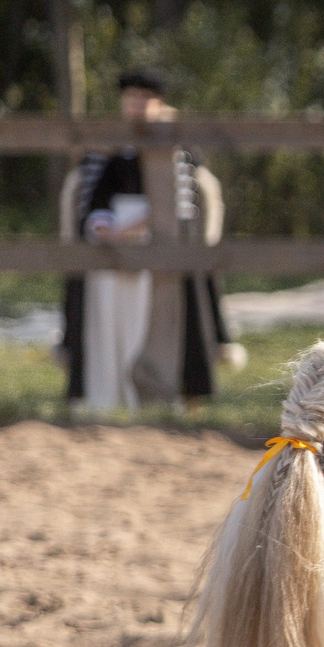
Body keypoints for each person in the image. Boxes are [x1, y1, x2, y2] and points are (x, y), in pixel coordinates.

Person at [57, 66, 243, 411]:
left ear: (158, 102)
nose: (138, 104)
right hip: (107, 247)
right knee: (103, 318)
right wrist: (104, 229)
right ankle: (100, 392)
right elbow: (90, 196)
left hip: (163, 243)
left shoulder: (180, 144)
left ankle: (176, 391)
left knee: (172, 313)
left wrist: (137, 229)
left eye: (145, 97)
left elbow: (183, 205)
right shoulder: (102, 143)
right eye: (131, 97)